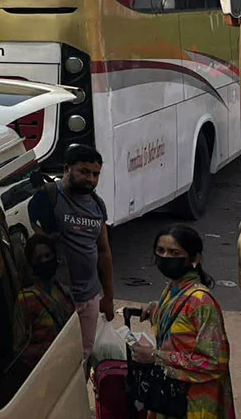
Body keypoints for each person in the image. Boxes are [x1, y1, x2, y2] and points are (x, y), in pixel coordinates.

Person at [134, 225, 235, 419]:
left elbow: (214, 362)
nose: (165, 257)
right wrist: (157, 309)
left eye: (174, 253)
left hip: (193, 403)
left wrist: (156, 356)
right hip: (169, 396)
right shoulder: (173, 291)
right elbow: (180, 328)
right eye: (161, 250)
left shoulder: (201, 302)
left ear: (194, 259)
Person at [27, 144, 114, 365]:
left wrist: (108, 296)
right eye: (84, 172)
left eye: (95, 174)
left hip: (89, 297)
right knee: (58, 361)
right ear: (67, 169)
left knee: (84, 357)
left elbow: (103, 251)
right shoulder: (48, 198)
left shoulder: (97, 205)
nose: (91, 179)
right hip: (57, 298)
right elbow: (33, 243)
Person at [13, 233, 75, 370]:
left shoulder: (61, 288)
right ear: (31, 264)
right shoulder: (25, 300)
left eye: (48, 255)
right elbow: (19, 348)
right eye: (39, 258)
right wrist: (50, 350)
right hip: (48, 368)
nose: (45, 261)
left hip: (72, 358)